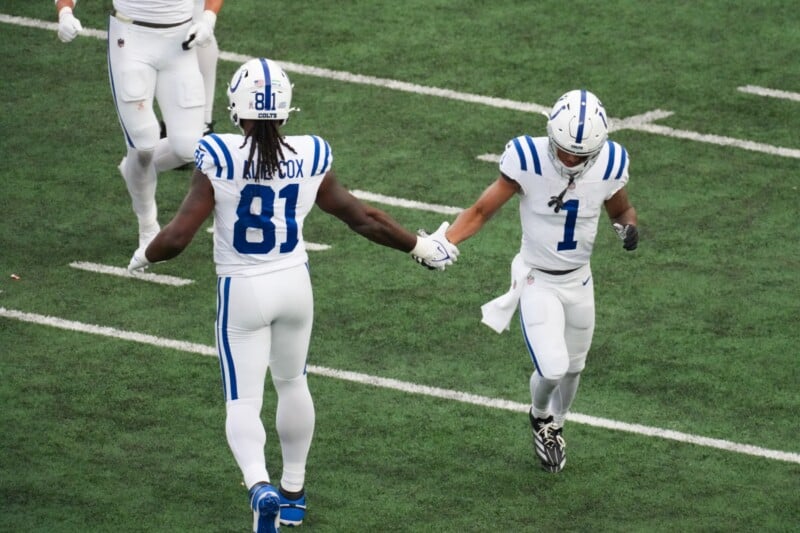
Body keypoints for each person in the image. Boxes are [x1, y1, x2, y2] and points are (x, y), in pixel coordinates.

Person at [127, 57, 458, 532]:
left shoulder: (219, 153)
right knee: (292, 383)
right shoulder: (311, 152)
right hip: (294, 286)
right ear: (285, 111)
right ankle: (294, 493)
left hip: (242, 288)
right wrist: (422, 246)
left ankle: (260, 486)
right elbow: (361, 217)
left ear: (235, 108)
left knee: (242, 401)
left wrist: (144, 255)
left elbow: (177, 237)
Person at [440, 89, 638, 473]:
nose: (569, 159)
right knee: (552, 368)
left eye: (579, 154)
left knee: (575, 368)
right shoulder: (527, 159)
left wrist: (627, 229)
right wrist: (445, 241)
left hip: (580, 280)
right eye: (564, 149)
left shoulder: (610, 163)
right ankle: (539, 416)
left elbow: (622, 209)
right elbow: (482, 210)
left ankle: (556, 426)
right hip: (537, 278)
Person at [55, 0, 224, 256]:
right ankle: (147, 227)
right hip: (132, 38)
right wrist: (65, 12)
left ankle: (135, 170)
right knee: (143, 144)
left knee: (189, 148)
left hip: (180, 39)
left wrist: (208, 18)